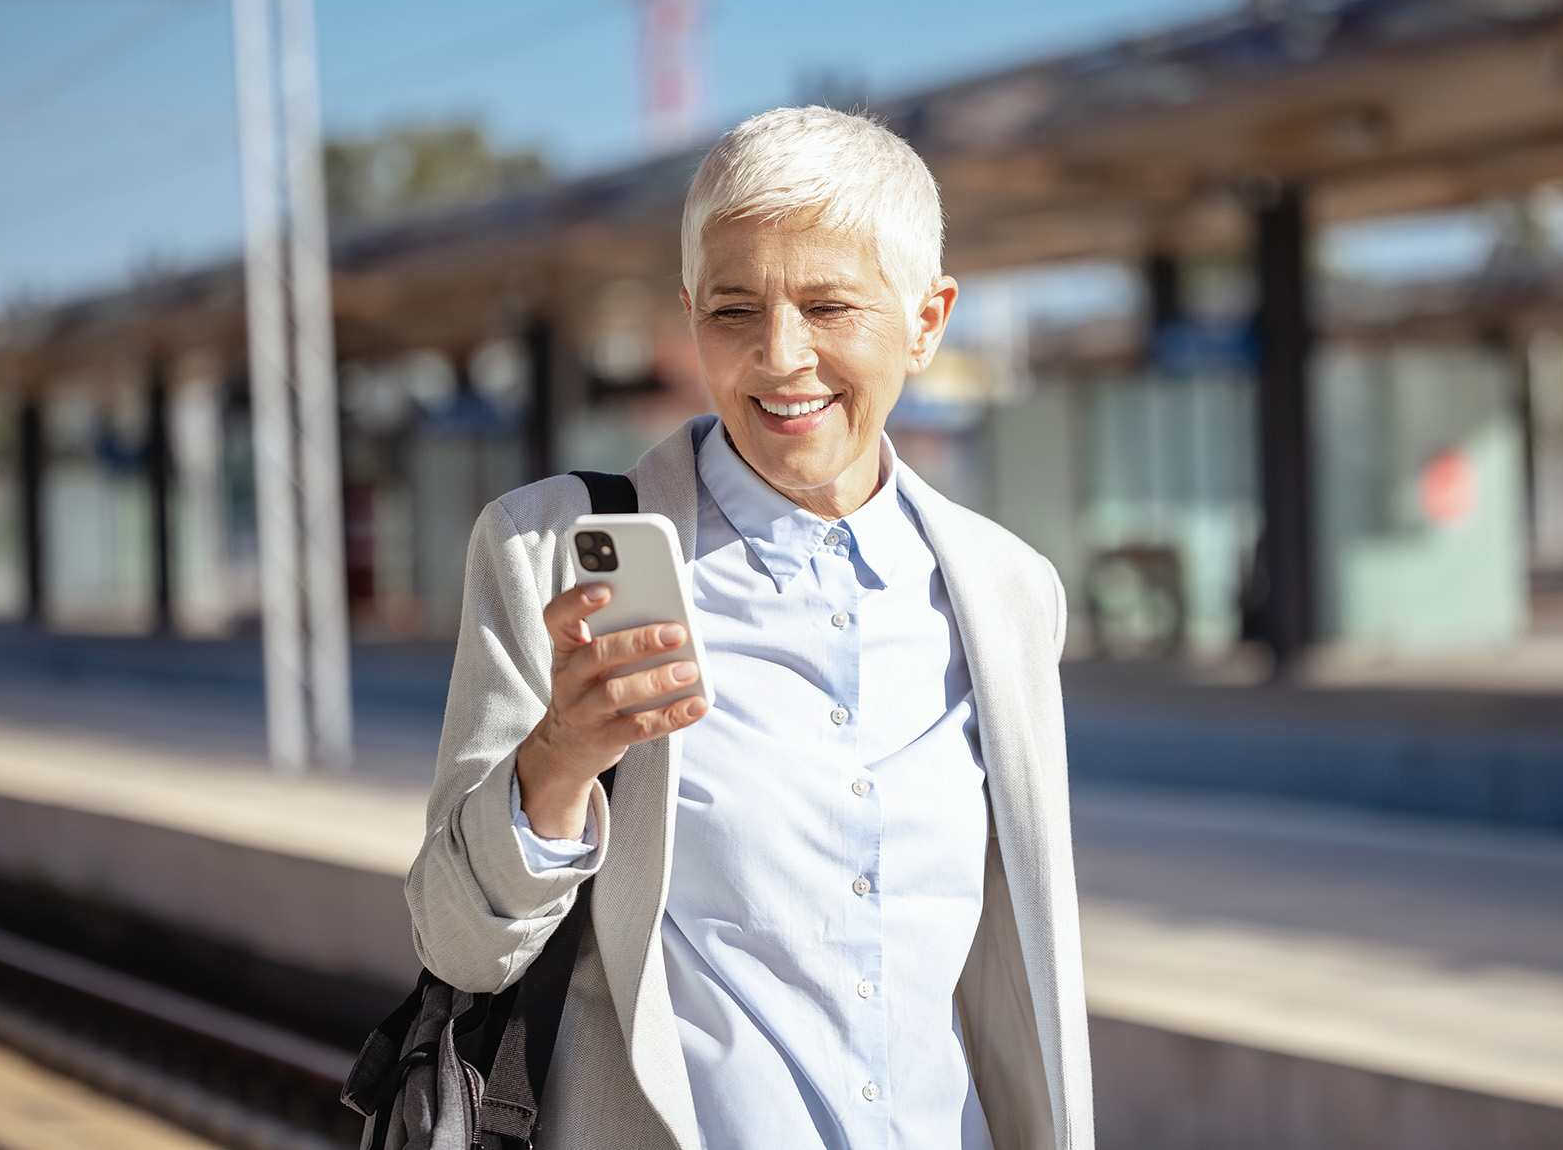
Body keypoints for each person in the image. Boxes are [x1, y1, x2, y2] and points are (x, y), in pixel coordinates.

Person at [407, 106, 1092, 1150]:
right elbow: (456, 941)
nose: (779, 358)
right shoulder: (546, 546)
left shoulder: (1006, 592)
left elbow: (1012, 976)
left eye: (828, 306)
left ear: (926, 317)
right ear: (689, 313)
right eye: (733, 310)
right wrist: (557, 763)